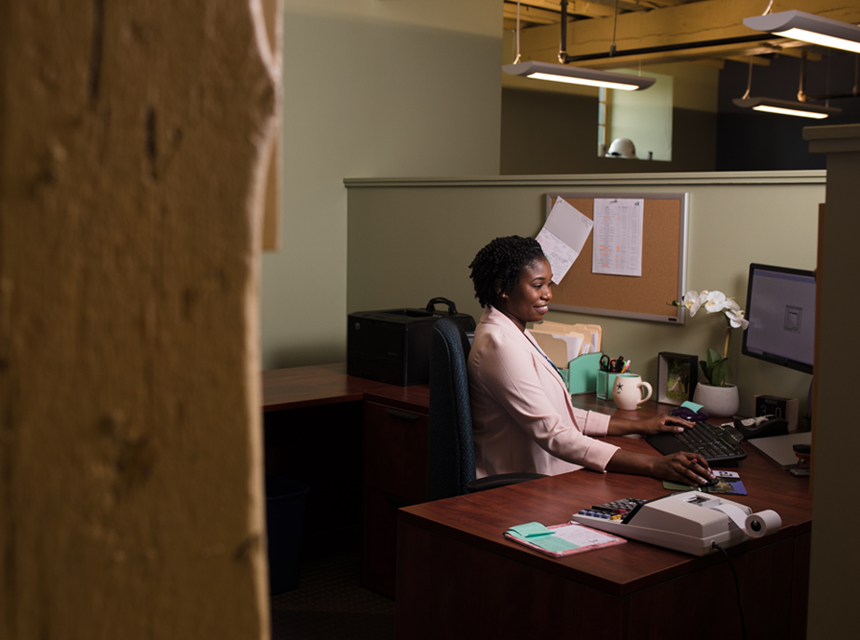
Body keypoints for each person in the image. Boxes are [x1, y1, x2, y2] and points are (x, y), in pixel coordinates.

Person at [467, 235, 714, 485]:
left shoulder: (515, 331)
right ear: (501, 288)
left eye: (549, 284)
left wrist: (642, 426)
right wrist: (653, 464)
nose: (548, 294)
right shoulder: (500, 345)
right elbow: (553, 432)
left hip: (546, 473)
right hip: (519, 487)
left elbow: (558, 414)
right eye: (538, 285)